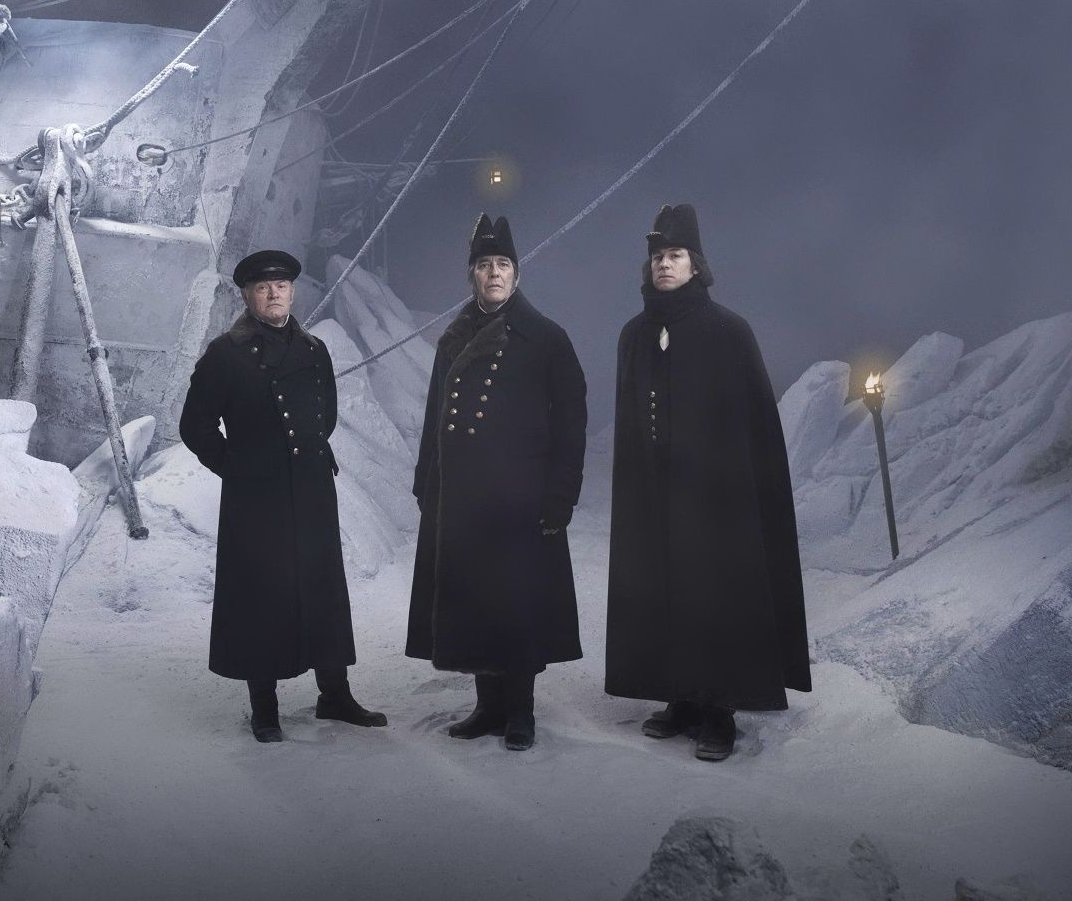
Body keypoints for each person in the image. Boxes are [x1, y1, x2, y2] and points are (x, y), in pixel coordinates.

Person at [604, 203, 812, 761]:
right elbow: (629, 424)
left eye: (675, 256)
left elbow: (755, 426)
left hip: (716, 501)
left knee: (713, 596)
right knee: (664, 591)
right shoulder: (633, 337)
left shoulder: (729, 331)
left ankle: (718, 710)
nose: (664, 266)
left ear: (696, 264)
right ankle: (682, 700)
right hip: (654, 497)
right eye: (656, 257)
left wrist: (735, 495)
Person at [180, 249, 387, 742]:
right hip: (257, 497)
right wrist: (238, 467)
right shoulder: (225, 354)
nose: (273, 294)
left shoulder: (314, 350)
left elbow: (326, 416)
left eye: (281, 286)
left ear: (293, 292)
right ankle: (265, 706)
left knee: (323, 589)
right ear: (248, 295)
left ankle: (334, 694)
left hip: (312, 488)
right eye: (262, 287)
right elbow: (195, 426)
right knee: (261, 596)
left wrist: (306, 457)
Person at [406, 215, 588, 751]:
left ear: (517, 274)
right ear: (472, 276)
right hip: (462, 496)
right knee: (473, 600)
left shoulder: (547, 338)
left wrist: (560, 494)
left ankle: (521, 713)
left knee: (517, 603)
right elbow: (436, 413)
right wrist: (426, 480)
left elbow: (571, 424)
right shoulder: (453, 336)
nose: (493, 274)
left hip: (519, 497)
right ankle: (487, 707)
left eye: (502, 265)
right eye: (484, 265)